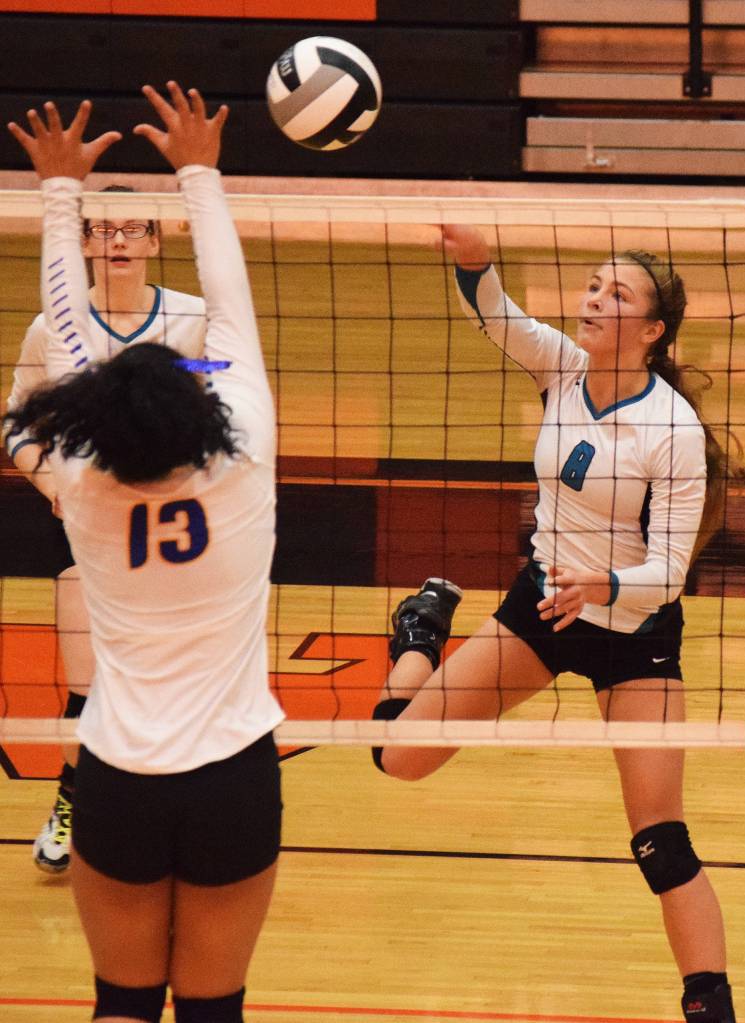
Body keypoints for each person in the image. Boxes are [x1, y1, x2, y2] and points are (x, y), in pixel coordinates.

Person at [371, 225, 738, 1023]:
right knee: (396, 756)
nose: (596, 298)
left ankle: (710, 1008)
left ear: (651, 332)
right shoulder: (564, 367)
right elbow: (497, 316)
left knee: (661, 843)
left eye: (618, 294)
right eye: (595, 285)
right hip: (542, 608)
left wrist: (601, 582)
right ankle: (419, 633)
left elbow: (669, 576)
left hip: (633, 629)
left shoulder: (670, 429)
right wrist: (475, 263)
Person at [6, 83, 280, 1023]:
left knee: (120, 1007)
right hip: (236, 773)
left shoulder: (83, 483)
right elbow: (231, 312)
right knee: (215, 1012)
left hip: (118, 775)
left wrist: (56, 194)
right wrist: (200, 170)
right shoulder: (246, 460)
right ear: (200, 403)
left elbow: (70, 359)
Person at [6, 180, 206, 874]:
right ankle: (73, 796)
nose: (116, 241)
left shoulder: (195, 322)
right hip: (89, 537)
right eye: (101, 229)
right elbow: (16, 425)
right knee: (86, 689)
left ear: (156, 239)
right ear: (85, 241)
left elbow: (225, 413)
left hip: (179, 538)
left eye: (131, 229)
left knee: (176, 685)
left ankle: (179, 813)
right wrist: (49, 480)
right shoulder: (54, 327)